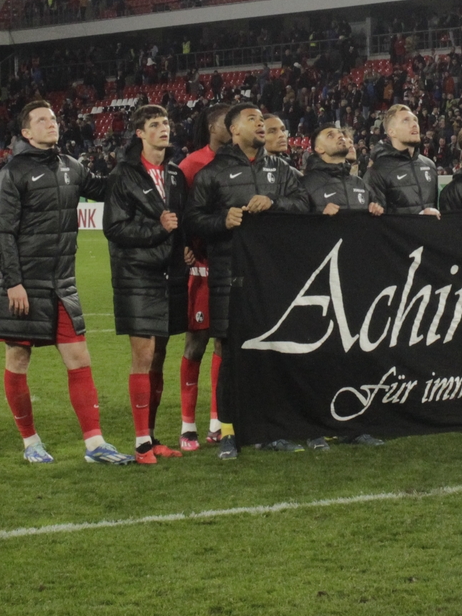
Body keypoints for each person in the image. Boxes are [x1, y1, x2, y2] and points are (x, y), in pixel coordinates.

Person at [0, 99, 130, 465]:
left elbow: (103, 190)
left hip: (61, 283)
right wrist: (13, 283)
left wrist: (133, 158)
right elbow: (3, 232)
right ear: (25, 132)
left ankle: (95, 443)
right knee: (18, 359)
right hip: (22, 284)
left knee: (79, 357)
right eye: (40, 120)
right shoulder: (13, 172)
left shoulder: (71, 166)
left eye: (53, 118)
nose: (50, 123)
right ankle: (30, 442)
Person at [183, 103, 311, 458]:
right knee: (228, 352)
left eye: (261, 119)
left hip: (273, 275)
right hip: (229, 276)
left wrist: (273, 203)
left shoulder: (280, 169)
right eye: (251, 119)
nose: (260, 124)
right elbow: (192, 220)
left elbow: (303, 204)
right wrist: (222, 220)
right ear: (234, 130)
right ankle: (227, 431)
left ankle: (271, 428)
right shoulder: (213, 173)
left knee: (273, 349)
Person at [104, 104, 190, 465]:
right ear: (139, 133)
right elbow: (115, 227)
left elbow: (181, 221)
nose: (163, 129)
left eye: (166, 123)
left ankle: (152, 437)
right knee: (142, 358)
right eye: (155, 124)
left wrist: (184, 246)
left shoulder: (174, 173)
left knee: (159, 358)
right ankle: (141, 444)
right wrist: (159, 228)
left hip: (169, 275)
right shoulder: (124, 174)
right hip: (136, 276)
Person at [177, 103, 231, 450]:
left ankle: (216, 420)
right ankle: (187, 425)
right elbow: (177, 209)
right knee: (195, 343)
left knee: (224, 341)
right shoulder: (191, 164)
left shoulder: (240, 163)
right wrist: (182, 245)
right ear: (214, 126)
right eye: (231, 122)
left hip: (230, 263)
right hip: (199, 265)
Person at [365, 104, 441, 216]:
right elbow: (379, 222)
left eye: (415, 120)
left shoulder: (429, 165)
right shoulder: (377, 171)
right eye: (405, 121)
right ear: (391, 132)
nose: (414, 124)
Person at [302, 124, 381, 215]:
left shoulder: (360, 184)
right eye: (330, 135)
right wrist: (320, 218)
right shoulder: (305, 185)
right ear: (319, 149)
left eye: (340, 134)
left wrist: (376, 211)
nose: (340, 136)